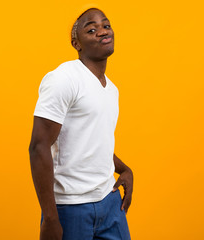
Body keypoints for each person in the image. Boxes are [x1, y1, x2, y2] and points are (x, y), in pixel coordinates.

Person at [29, 7, 133, 240]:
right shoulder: (64, 78)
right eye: (91, 29)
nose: (102, 31)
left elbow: (92, 141)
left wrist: (124, 169)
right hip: (71, 208)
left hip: (109, 200)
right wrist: (51, 218)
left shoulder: (111, 89)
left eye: (106, 25)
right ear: (76, 43)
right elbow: (38, 147)